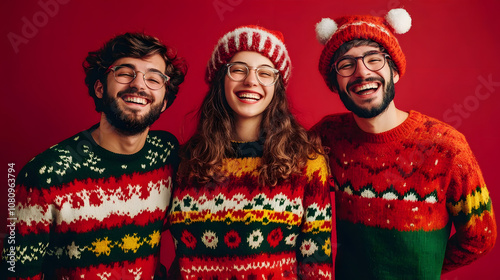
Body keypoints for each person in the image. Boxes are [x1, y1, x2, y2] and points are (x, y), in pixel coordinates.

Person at [311, 8, 497, 279]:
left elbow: (481, 237)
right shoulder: (327, 137)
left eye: (374, 59)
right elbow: (278, 174)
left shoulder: (447, 147)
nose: (362, 72)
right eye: (346, 64)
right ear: (335, 83)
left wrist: (422, 269)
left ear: (394, 72)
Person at [1, 32, 187, 279]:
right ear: (100, 88)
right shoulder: (44, 175)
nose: (139, 84)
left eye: (154, 78)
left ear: (164, 102)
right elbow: (14, 270)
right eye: (124, 73)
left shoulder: (166, 152)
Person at [167, 25, 333, 279]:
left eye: (265, 73)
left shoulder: (307, 162)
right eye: (238, 69)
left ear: (277, 87)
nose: (251, 80)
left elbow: (316, 264)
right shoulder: (184, 160)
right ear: (220, 78)